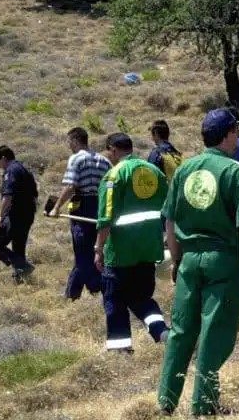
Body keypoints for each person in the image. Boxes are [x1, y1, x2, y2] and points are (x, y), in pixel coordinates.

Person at [157, 109, 239, 416]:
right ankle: (203, 405)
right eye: (237, 132)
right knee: (214, 332)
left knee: (181, 331)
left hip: (190, 260)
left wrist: (177, 259)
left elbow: (169, 220)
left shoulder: (184, 170)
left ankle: (165, 401)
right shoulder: (238, 172)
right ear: (228, 134)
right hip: (224, 260)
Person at [95, 133, 170, 353]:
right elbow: (167, 211)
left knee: (114, 302)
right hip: (148, 250)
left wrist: (98, 248)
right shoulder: (154, 172)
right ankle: (161, 331)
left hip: (120, 254)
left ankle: (120, 350)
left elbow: (106, 217)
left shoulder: (114, 176)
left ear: (113, 150)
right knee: (141, 298)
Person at [51, 127, 110, 300]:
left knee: (83, 252)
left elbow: (70, 186)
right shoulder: (104, 160)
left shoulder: (76, 159)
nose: (68, 145)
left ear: (76, 141)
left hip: (83, 205)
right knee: (96, 248)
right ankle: (91, 289)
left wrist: (56, 207)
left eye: (69, 141)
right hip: (101, 206)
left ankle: (79, 293)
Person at [0, 146, 37, 282]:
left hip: (15, 215)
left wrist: (0, 215)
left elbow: (8, 196)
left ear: (4, 158)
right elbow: (35, 194)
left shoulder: (11, 171)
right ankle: (20, 280)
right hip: (27, 215)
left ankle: (23, 266)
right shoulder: (24, 170)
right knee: (18, 247)